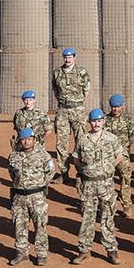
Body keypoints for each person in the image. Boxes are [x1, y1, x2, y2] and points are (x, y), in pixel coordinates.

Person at [70, 108, 124, 265]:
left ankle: (111, 250)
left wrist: (109, 168)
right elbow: (76, 159)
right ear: (90, 122)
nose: (96, 124)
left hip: (106, 184)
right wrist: (85, 171)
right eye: (94, 121)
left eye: (99, 121)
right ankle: (84, 250)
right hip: (88, 184)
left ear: (103, 121)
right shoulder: (83, 139)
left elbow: (119, 156)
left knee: (107, 217)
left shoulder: (111, 138)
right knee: (87, 218)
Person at [7, 127, 54, 266]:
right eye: (23, 139)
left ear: (34, 140)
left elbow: (50, 172)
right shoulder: (14, 156)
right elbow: (12, 173)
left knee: (40, 225)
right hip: (19, 197)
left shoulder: (43, 155)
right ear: (19, 141)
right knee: (19, 225)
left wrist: (40, 185)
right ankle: (21, 253)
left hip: (37, 195)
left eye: (29, 139)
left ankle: (41, 254)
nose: (26, 142)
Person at [51, 47, 90, 188]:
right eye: (65, 57)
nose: (67, 60)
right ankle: (64, 173)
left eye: (70, 57)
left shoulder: (82, 72)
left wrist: (76, 103)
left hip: (78, 111)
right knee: (61, 144)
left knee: (81, 142)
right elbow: (56, 91)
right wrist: (65, 103)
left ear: (74, 57)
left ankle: (82, 173)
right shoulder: (57, 73)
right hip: (62, 111)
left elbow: (86, 90)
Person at [104, 94, 134, 216]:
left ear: (122, 106)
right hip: (108, 155)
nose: (115, 109)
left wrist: (124, 149)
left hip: (122, 155)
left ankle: (126, 205)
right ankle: (108, 205)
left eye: (118, 106)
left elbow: (132, 137)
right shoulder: (105, 120)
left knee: (125, 178)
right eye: (113, 107)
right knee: (107, 179)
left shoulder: (128, 120)